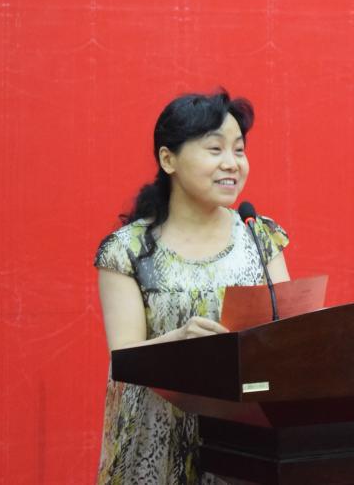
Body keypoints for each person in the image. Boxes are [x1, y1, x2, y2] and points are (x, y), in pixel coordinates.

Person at [94, 90, 290, 484]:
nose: (232, 163)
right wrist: (180, 342)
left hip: (243, 441)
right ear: (168, 159)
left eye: (239, 150)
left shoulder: (258, 236)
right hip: (154, 439)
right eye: (215, 149)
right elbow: (124, 359)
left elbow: (287, 332)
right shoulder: (128, 250)